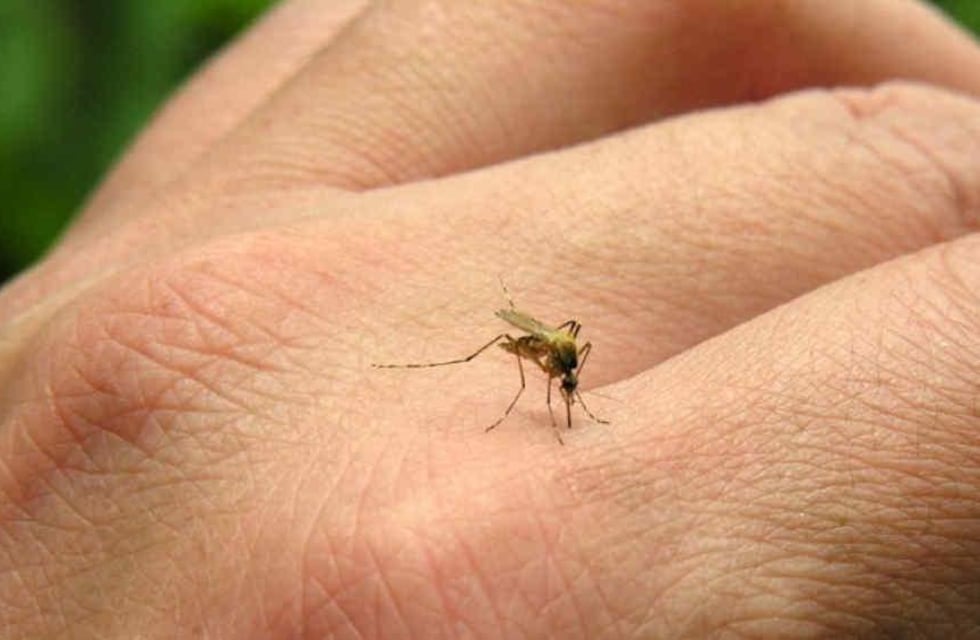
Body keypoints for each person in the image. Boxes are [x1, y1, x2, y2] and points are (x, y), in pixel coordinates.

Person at [2, 0, 979, 636]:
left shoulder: (565, 358)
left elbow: (568, 353)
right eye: (565, 375)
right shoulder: (535, 351)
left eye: (566, 375)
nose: (564, 376)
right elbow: (536, 344)